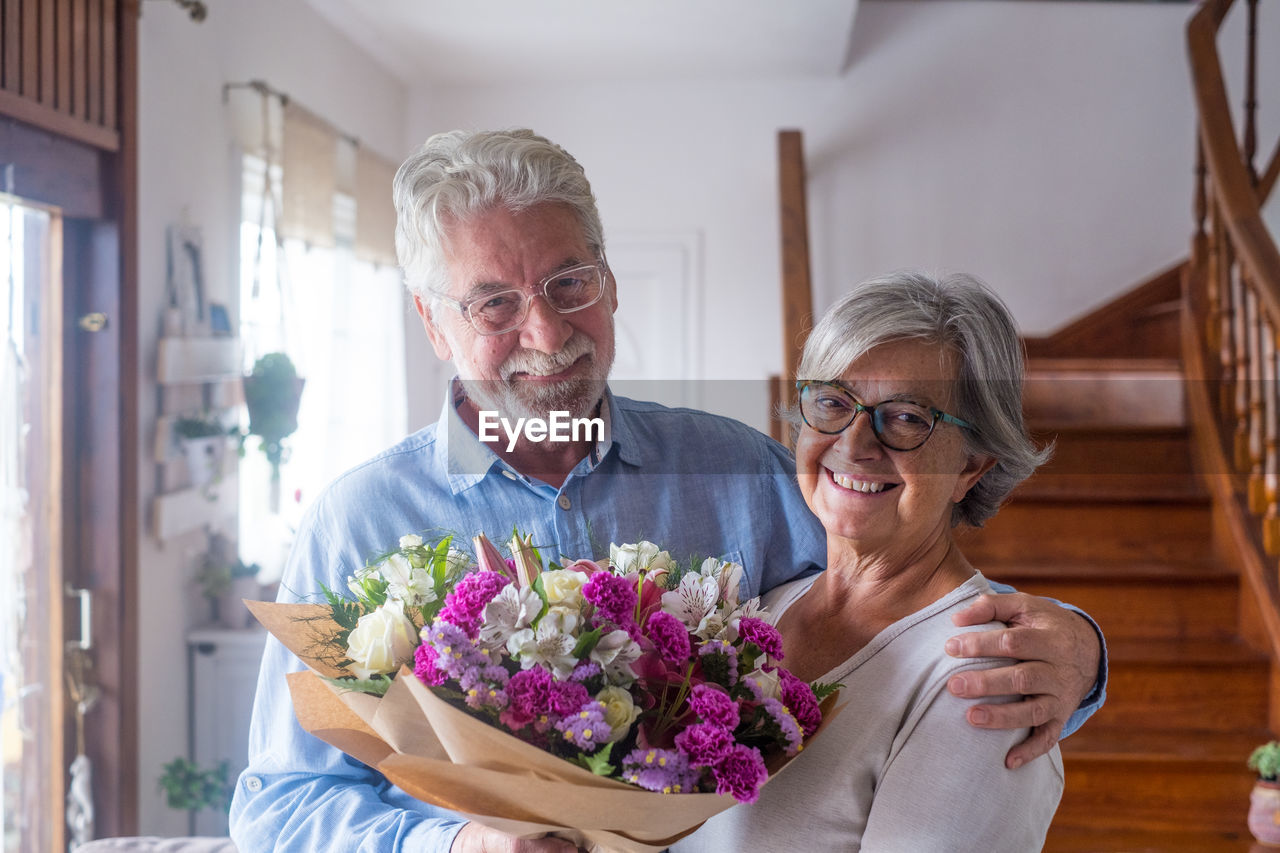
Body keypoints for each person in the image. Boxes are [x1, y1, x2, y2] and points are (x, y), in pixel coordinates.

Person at [229, 129, 1104, 852]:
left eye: (571, 282)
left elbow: (894, 580)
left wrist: (1080, 652)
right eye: (494, 303)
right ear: (432, 321)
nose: (547, 330)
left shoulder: (743, 473)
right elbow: (276, 806)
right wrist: (454, 846)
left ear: (608, 278)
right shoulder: (358, 522)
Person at [676, 271, 1065, 851]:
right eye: (832, 402)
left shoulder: (985, 680)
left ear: (971, 467)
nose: (855, 444)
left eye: (907, 417)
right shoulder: (757, 613)